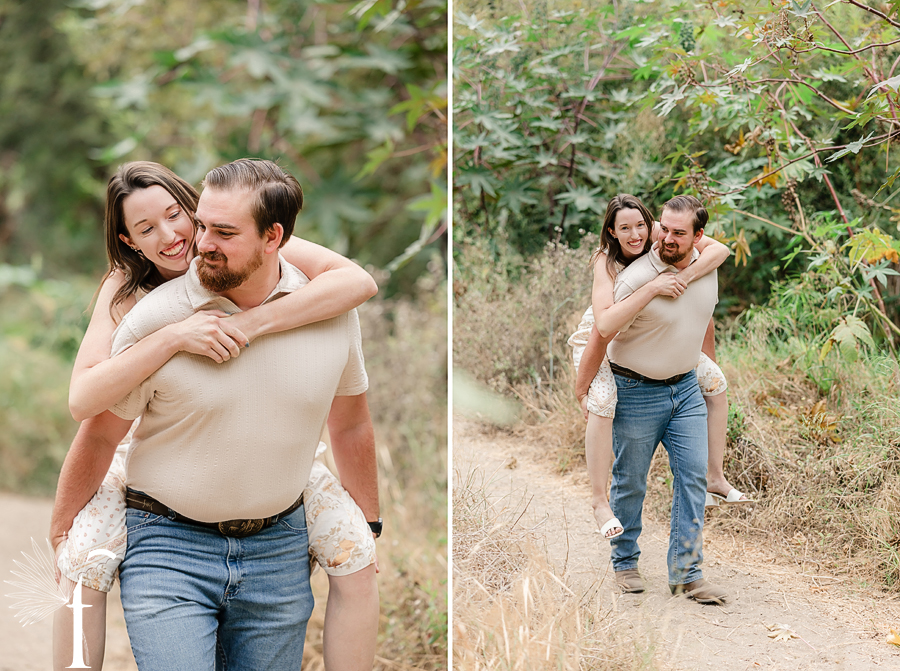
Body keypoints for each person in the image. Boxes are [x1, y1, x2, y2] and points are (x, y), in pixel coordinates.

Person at [49, 160, 380, 670]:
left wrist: (254, 322)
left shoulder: (289, 270)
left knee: (357, 551)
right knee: (80, 560)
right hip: (158, 487)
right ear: (130, 241)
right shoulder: (130, 298)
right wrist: (172, 338)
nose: (179, 238)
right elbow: (86, 409)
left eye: (178, 217)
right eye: (146, 229)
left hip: (279, 506)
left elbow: (357, 283)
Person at [569, 195, 749, 542]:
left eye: (641, 225)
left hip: (650, 331)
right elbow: (601, 332)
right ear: (612, 231)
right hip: (602, 332)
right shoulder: (607, 261)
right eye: (624, 228)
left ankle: (715, 477)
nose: (635, 234)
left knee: (715, 380)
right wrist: (581, 389)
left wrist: (686, 276)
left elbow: (719, 253)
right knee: (601, 402)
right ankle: (598, 500)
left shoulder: (660, 234)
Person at [583, 194, 726, 603]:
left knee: (693, 476)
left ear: (698, 236)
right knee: (630, 483)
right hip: (636, 390)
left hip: (685, 389)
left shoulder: (707, 265)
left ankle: (687, 574)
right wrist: (583, 384)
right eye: (665, 228)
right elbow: (601, 331)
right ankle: (625, 562)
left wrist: (707, 365)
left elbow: (703, 318)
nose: (666, 238)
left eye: (679, 232)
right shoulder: (632, 276)